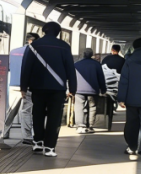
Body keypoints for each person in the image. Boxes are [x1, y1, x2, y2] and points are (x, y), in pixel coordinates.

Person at [20, 21, 77, 158]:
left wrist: (23, 87)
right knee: (54, 117)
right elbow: (70, 68)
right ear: (58, 33)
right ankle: (50, 147)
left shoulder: (34, 45)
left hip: (37, 87)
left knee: (37, 114)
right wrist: (72, 88)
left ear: (43, 31)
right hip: (57, 88)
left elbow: (26, 67)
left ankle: (38, 142)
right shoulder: (64, 46)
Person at [73, 47, 107, 133]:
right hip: (93, 90)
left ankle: (80, 126)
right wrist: (103, 89)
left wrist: (71, 88)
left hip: (79, 89)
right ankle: (90, 126)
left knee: (79, 107)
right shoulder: (97, 64)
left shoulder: (76, 64)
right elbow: (101, 78)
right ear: (92, 55)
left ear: (83, 54)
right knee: (92, 107)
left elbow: (72, 77)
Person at [16, 32, 38, 144]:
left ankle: (27, 136)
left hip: (23, 85)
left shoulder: (15, 51)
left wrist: (23, 87)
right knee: (38, 110)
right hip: (38, 86)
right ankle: (37, 135)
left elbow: (24, 69)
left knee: (25, 110)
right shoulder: (39, 51)